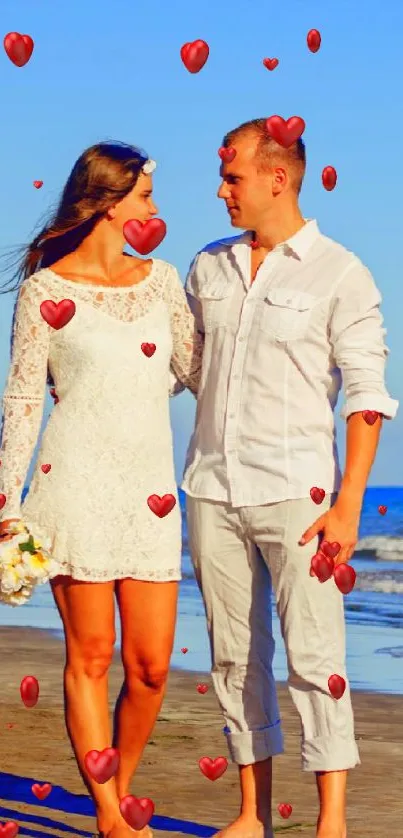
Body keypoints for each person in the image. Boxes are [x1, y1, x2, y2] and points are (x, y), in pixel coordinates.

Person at [182, 118, 398, 838]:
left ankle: (329, 821)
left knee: (314, 659)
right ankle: (251, 814)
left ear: (278, 177)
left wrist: (348, 507)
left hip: (298, 497)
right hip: (212, 490)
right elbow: (184, 368)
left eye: (232, 177)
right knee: (233, 659)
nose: (221, 191)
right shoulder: (205, 266)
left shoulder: (341, 271)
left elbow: (367, 396)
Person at [0, 141, 203, 838]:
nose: (155, 209)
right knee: (89, 656)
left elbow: (194, 371)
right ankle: (111, 815)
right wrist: (6, 504)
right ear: (109, 204)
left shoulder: (163, 281)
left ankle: (125, 785)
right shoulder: (45, 292)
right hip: (73, 486)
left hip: (149, 492)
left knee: (148, 667)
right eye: (146, 196)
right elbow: (25, 399)